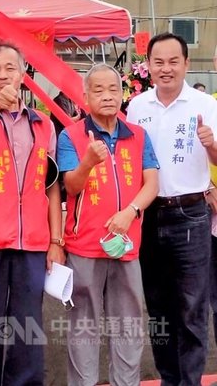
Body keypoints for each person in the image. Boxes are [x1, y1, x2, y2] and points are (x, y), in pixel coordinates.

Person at [0, 41, 65, 386]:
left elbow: (51, 185)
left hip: (32, 243)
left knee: (26, 330)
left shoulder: (44, 126)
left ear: (23, 73)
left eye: (10, 68)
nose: (3, 75)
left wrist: (55, 240)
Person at [57, 64, 159, 385]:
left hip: (126, 244)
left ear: (123, 94)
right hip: (84, 244)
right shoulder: (70, 135)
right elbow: (70, 186)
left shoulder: (139, 136)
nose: (107, 96)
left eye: (113, 90)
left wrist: (131, 211)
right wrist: (88, 161)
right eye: (98, 90)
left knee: (128, 322)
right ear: (85, 97)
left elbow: (151, 184)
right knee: (84, 324)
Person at [126, 32, 217, 385]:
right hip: (149, 216)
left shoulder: (205, 105)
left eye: (173, 61)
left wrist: (210, 147)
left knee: (192, 307)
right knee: (159, 307)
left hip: (190, 214)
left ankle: (189, 381)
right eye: (158, 62)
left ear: (186, 64)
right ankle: (168, 377)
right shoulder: (137, 107)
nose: (166, 69)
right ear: (148, 65)